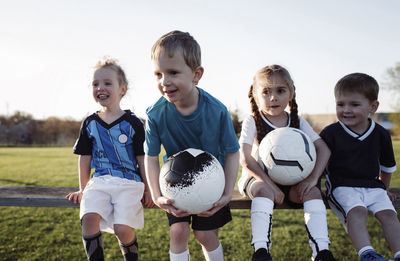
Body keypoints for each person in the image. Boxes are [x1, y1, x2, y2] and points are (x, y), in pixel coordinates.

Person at [144, 30, 240, 261]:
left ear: (196, 74)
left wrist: (227, 192)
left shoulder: (217, 111)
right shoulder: (155, 114)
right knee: (178, 232)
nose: (164, 81)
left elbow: (233, 152)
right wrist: (157, 196)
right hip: (174, 185)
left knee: (205, 234)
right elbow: (151, 156)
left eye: (173, 72)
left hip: (212, 186)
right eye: (158, 74)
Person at [238, 65, 337, 261]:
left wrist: (312, 179)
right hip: (258, 180)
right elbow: (245, 158)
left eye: (280, 91)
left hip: (292, 184)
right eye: (266, 92)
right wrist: (270, 185)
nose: (273, 97)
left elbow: (324, 149)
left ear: (290, 93)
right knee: (264, 191)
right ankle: (261, 251)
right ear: (256, 96)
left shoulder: (297, 121)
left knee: (314, 192)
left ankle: (322, 252)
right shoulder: (252, 120)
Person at [66, 58, 153, 261]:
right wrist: (83, 188)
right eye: (95, 84)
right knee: (88, 218)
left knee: (122, 229)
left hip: (129, 182)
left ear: (122, 89)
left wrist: (148, 189)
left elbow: (143, 158)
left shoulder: (134, 123)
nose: (100, 88)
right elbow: (85, 158)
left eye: (107, 83)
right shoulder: (90, 123)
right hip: (100, 182)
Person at [320, 73, 400, 261]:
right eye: (340, 104)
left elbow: (387, 167)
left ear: (373, 107)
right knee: (357, 211)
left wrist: (385, 189)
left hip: (373, 186)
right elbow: (318, 165)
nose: (346, 110)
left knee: (389, 214)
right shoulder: (330, 133)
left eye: (354, 105)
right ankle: (367, 254)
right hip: (342, 185)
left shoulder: (381, 134)